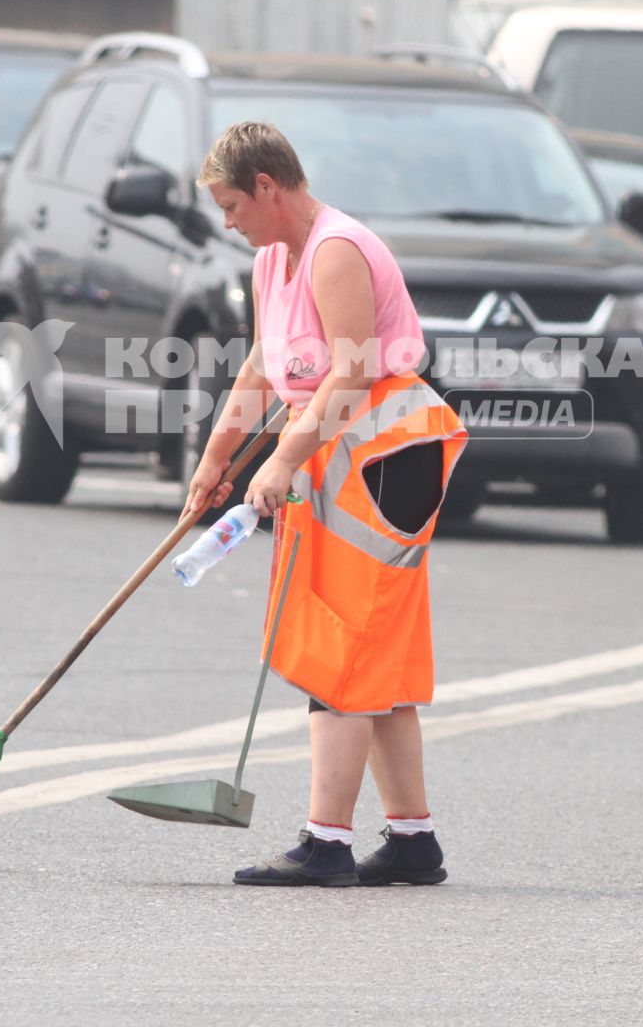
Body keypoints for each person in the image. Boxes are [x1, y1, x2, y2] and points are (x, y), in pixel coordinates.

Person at [186, 121, 467, 888]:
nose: (227, 221)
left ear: (269, 188)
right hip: (339, 453)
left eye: (231, 204)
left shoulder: (337, 250)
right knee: (373, 657)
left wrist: (279, 460)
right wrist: (216, 462)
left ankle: (327, 844)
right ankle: (413, 843)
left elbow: (346, 377)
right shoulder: (273, 259)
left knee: (342, 650)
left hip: (381, 454)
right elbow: (263, 367)